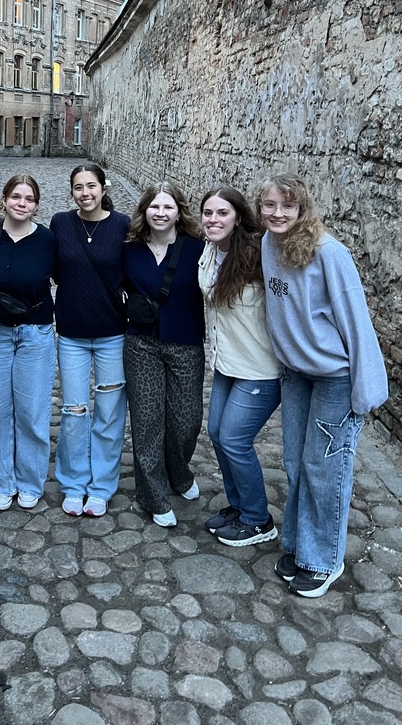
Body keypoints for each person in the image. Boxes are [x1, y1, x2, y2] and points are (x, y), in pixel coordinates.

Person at [260, 172, 388, 598]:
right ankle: (299, 545)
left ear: (303, 209)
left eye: (287, 206)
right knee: (296, 462)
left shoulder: (329, 253)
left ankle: (324, 560)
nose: (278, 214)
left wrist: (364, 390)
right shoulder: (267, 244)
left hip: (334, 376)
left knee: (325, 467)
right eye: (270, 205)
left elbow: (356, 320)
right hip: (296, 374)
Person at [198, 185, 281, 546]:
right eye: (208, 213)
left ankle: (258, 520)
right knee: (216, 432)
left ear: (238, 217)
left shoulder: (259, 254)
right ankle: (239, 505)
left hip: (259, 367)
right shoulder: (209, 248)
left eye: (222, 213)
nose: (213, 220)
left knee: (235, 439)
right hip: (226, 362)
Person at [122, 180, 205, 528]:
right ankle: (152, 492)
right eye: (154, 206)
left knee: (186, 421)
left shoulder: (198, 249)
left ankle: (178, 471)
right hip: (141, 344)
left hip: (185, 343)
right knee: (147, 421)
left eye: (167, 207)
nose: (160, 213)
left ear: (179, 212)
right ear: (144, 211)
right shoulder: (129, 249)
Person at [51, 163, 130, 517]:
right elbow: (51, 268)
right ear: (72, 191)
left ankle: (101, 486)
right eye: (79, 187)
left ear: (103, 188)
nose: (85, 193)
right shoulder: (60, 223)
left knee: (110, 414)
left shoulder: (123, 225)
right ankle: (73, 481)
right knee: (74, 410)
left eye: (92, 186)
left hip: (112, 332)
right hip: (72, 334)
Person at [0, 174, 56, 511]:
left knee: (32, 412)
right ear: (4, 198)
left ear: (36, 205)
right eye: (16, 197)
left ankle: (30, 480)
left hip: (34, 332)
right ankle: (1, 480)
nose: (22, 204)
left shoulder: (48, 240)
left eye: (29, 199)